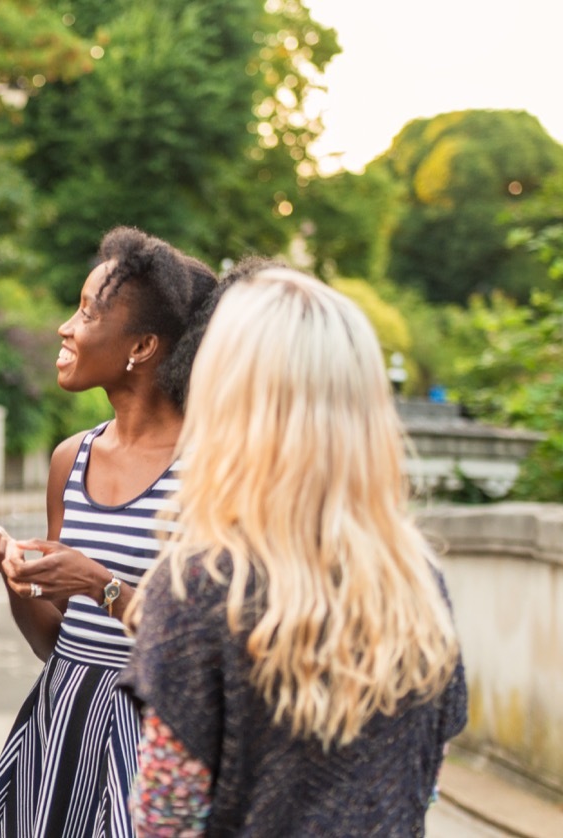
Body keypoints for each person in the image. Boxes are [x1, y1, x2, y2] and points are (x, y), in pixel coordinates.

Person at [119, 267, 468, 835]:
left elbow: (167, 820)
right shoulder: (418, 582)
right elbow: (421, 788)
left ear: (229, 399)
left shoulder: (198, 586)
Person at [0, 227, 222, 837]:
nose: (65, 327)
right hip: (59, 729)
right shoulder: (69, 459)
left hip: (153, 741)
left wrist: (102, 585)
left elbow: (206, 652)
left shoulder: (211, 470)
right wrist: (12, 574)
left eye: (86, 311)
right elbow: (56, 643)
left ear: (142, 346)